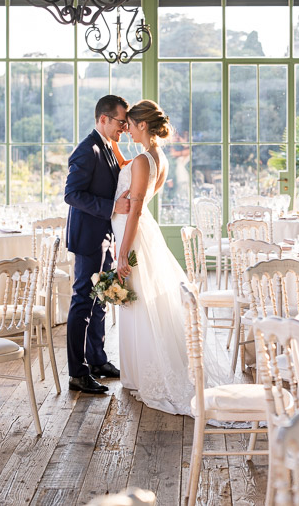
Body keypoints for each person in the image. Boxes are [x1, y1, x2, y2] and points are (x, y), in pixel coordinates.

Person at [112, 99, 229, 415]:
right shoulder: (157, 158)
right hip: (144, 232)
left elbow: (135, 207)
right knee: (142, 301)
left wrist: (123, 252)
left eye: (131, 125)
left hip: (133, 237)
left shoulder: (141, 160)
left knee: (138, 302)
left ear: (143, 126)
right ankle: (139, 372)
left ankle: (144, 374)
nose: (127, 130)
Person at [64, 95, 131, 395]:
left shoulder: (107, 147)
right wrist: (112, 207)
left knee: (101, 299)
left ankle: (98, 360)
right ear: (103, 119)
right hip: (88, 238)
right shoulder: (86, 149)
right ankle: (78, 373)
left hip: (104, 237)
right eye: (120, 122)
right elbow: (72, 194)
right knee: (83, 302)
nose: (124, 128)